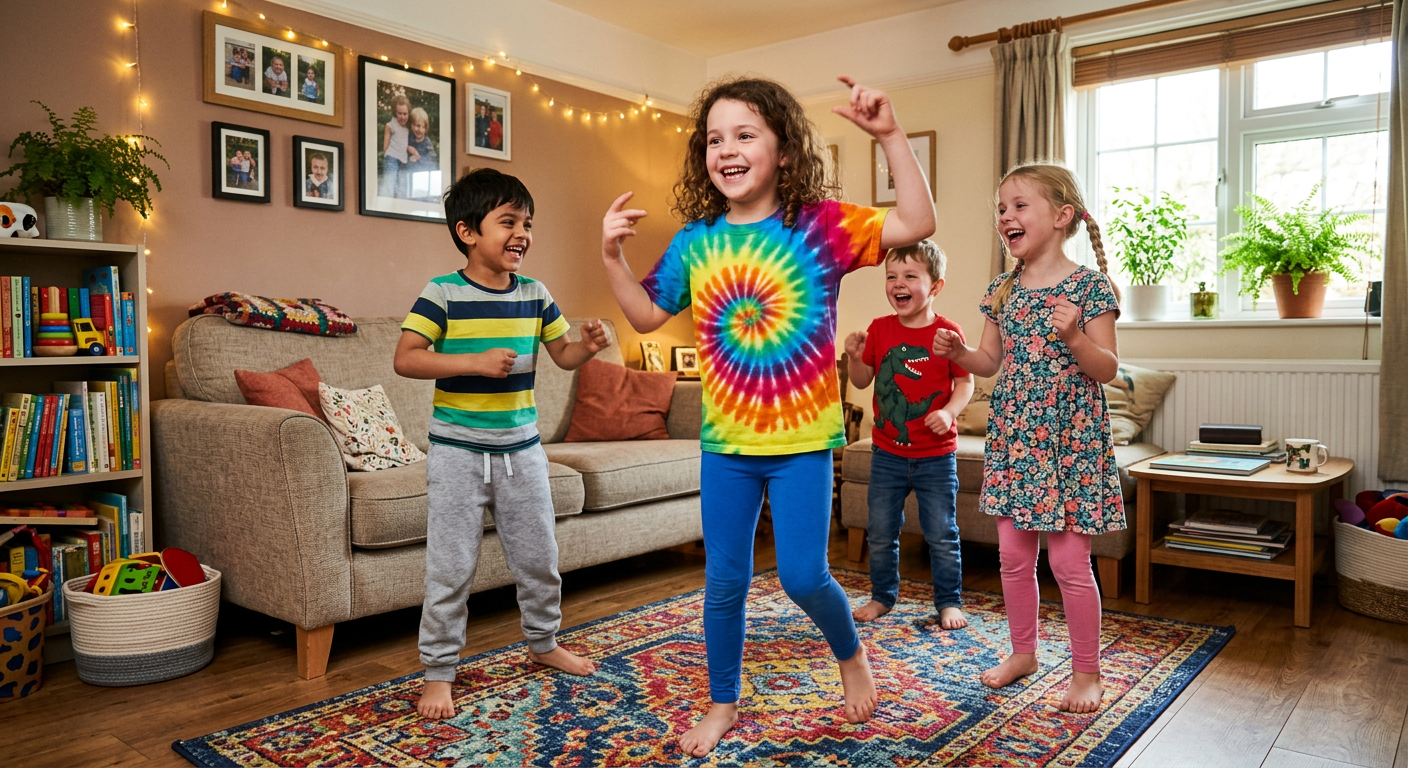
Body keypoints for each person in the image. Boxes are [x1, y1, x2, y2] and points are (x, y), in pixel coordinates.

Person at [599, 74, 935, 757]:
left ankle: (850, 655)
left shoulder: (822, 227)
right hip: (725, 444)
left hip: (802, 442)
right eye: (714, 138)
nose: (727, 149)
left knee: (804, 575)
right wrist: (611, 254)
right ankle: (722, 703)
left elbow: (917, 223)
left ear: (783, 151)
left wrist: (891, 136)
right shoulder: (696, 242)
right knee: (724, 582)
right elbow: (642, 312)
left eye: (745, 134)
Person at [397, 167, 609, 720]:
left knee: (540, 556)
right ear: (468, 232)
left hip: (523, 452)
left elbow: (561, 356)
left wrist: (585, 346)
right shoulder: (442, 292)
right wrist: (471, 362)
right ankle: (439, 670)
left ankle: (544, 644)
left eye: (527, 223)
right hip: (457, 454)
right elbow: (407, 357)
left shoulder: (536, 294)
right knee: (451, 566)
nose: (522, 233)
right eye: (508, 221)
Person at [931, 162, 1122, 714]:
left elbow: (1107, 367)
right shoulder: (1002, 288)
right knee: (1013, 559)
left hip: (1069, 444)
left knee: (1069, 565)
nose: (1005, 216)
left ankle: (1087, 673)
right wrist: (957, 354)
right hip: (1015, 440)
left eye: (1019, 206)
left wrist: (1074, 336)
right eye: (1001, 208)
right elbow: (989, 361)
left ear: (1062, 217)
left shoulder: (1089, 286)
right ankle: (1024, 653)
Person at [844, 239, 973, 630]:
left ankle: (948, 601)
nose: (898, 283)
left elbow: (964, 382)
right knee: (881, 531)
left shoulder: (948, 331)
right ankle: (883, 596)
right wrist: (853, 357)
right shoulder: (879, 330)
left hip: (936, 456)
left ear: (935, 286)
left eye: (910, 276)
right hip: (887, 454)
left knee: (942, 534)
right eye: (891, 276)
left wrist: (948, 412)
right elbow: (864, 379)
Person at [380, 93, 411, 197]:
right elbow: (386, 142)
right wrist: (386, 155)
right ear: (395, 112)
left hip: (403, 159)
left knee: (402, 186)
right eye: (400, 113)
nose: (402, 117)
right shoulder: (390, 125)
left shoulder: (408, 126)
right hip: (391, 158)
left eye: (405, 114)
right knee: (389, 183)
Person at [403, 107, 438, 199]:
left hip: (421, 180)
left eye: (423, 127)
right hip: (406, 178)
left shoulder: (427, 143)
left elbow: (432, 163)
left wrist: (418, 156)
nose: (420, 130)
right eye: (417, 126)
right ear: (411, 125)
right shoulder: (407, 138)